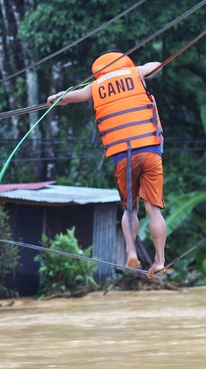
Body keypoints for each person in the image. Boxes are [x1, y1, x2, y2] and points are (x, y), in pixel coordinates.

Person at [47, 50, 167, 278]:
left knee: (130, 209)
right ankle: (160, 260)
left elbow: (68, 97)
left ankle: (131, 251)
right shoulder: (135, 73)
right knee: (153, 210)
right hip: (150, 151)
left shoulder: (95, 87)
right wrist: (144, 68)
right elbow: (158, 65)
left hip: (123, 154)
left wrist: (54, 98)